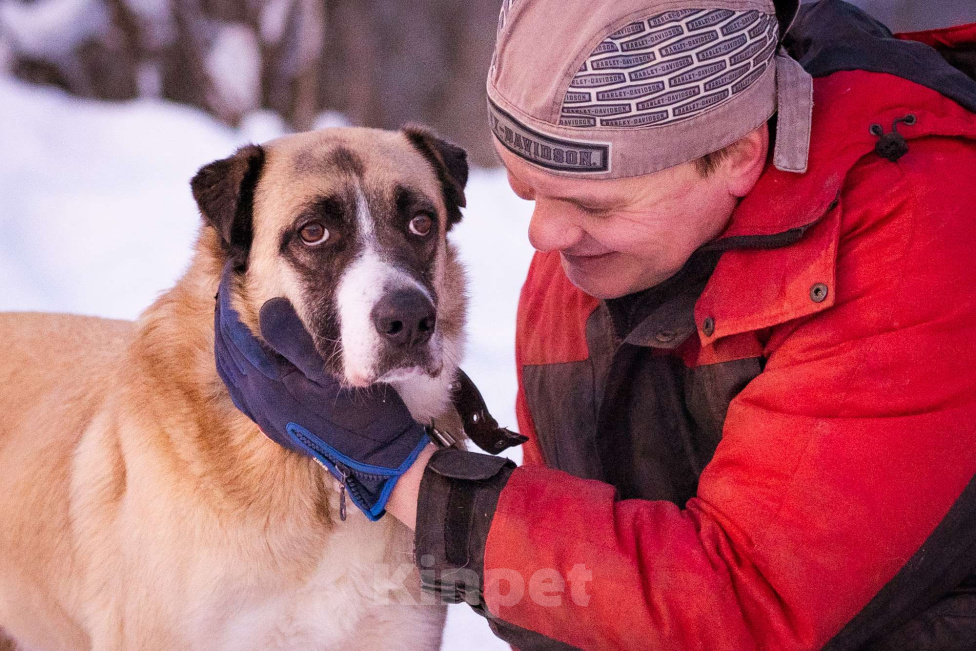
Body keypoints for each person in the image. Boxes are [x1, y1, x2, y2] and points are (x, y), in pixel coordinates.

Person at [215, 0, 976, 648]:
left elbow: (739, 610)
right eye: (528, 189)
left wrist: (409, 475)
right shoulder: (601, 249)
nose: (544, 236)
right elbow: (582, 607)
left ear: (739, 153)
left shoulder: (919, 240)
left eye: (594, 203)